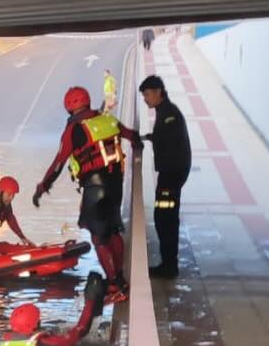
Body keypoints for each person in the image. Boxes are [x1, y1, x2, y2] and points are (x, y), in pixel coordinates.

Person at [33, 86, 142, 295]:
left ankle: (115, 283)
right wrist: (138, 143)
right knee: (113, 231)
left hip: (95, 187)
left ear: (68, 107)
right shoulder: (107, 119)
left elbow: (58, 164)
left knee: (99, 237)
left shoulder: (74, 130)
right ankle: (120, 277)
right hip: (115, 183)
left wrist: (42, 187)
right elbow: (131, 135)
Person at [139, 74, 191, 279]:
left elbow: (169, 139)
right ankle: (168, 263)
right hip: (171, 173)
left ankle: (169, 265)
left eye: (147, 94)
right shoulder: (166, 111)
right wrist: (147, 137)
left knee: (165, 218)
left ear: (158, 92)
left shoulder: (169, 114)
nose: (145, 99)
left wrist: (150, 138)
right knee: (165, 217)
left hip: (171, 175)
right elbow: (165, 136)